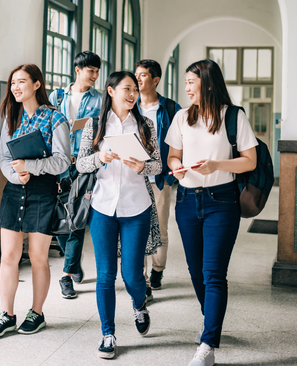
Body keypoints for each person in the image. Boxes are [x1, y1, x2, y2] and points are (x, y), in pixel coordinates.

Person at [166, 59, 257, 366]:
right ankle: (211, 324)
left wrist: (217, 164)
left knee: (213, 274)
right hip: (188, 201)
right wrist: (175, 167)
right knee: (195, 272)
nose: (187, 88)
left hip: (222, 201)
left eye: (191, 82)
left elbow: (249, 161)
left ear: (207, 82)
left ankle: (207, 345)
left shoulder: (233, 116)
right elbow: (173, 155)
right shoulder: (182, 117)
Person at [76, 71, 162, 359]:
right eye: (126, 88)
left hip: (136, 206)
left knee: (132, 275)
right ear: (110, 91)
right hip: (103, 206)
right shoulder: (95, 124)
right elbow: (80, 164)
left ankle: (139, 305)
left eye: (135, 89)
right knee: (105, 275)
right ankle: (108, 334)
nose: (132, 94)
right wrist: (99, 157)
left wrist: (142, 167)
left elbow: (158, 166)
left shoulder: (145, 124)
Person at [0, 64, 71, 337]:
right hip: (14, 189)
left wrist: (30, 168)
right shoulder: (11, 115)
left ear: (37, 84)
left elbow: (61, 161)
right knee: (9, 256)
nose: (16, 87)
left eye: (22, 82)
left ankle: (37, 312)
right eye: (13, 83)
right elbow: (3, 156)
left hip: (43, 190)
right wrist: (14, 174)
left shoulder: (56, 119)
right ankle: (7, 314)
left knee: (37, 257)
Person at [49, 50, 103, 299]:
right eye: (91, 70)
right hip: (57, 164)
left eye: (97, 71)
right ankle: (74, 261)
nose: (95, 75)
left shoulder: (100, 100)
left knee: (78, 219)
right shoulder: (57, 96)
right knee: (61, 220)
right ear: (78, 70)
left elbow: (101, 132)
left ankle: (66, 275)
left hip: (83, 165)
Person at [135, 59, 181, 301]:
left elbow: (179, 143)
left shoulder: (171, 108)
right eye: (136, 75)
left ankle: (157, 270)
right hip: (133, 178)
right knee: (137, 229)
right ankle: (140, 279)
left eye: (143, 75)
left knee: (160, 228)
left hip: (159, 178)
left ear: (156, 80)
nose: (138, 79)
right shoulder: (130, 106)